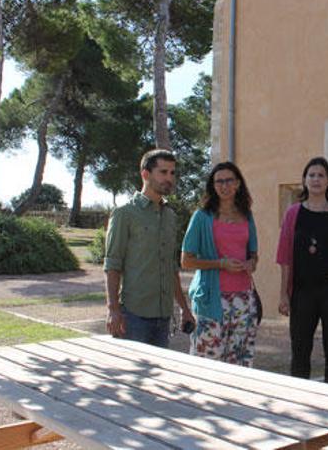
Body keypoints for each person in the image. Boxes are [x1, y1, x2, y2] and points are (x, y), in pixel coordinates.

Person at [276, 157, 328, 384]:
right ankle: (300, 402)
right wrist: (284, 294)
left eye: (321, 175)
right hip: (303, 292)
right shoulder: (293, 213)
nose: (316, 179)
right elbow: (284, 256)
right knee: (300, 350)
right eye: (311, 175)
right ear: (304, 180)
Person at [104, 149, 195, 348]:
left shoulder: (170, 216)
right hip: (134, 317)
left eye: (172, 173)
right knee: (131, 377)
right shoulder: (124, 214)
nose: (169, 178)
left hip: (163, 318)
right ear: (145, 174)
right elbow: (113, 265)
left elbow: (171, 268)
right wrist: (113, 310)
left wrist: (184, 309)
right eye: (163, 172)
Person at [180, 161, 260, 366]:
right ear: (212, 186)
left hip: (243, 299)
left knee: (239, 360)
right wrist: (220, 263)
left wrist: (251, 263)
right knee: (208, 359)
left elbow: (254, 255)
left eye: (229, 180)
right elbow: (186, 260)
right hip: (212, 299)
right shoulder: (201, 217)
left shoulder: (246, 215)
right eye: (219, 181)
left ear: (238, 184)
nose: (224, 185)